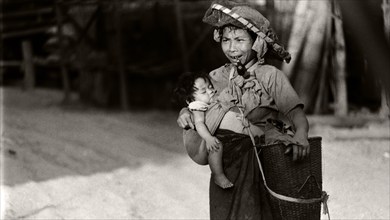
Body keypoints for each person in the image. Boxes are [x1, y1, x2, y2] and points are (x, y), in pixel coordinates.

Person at [176, 1, 310, 219]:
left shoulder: (270, 76)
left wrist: (302, 135)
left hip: (261, 165)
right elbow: (197, 104)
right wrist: (183, 113)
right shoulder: (216, 77)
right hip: (225, 167)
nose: (231, 48)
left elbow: (296, 115)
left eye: (240, 40)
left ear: (257, 43)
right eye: (226, 40)